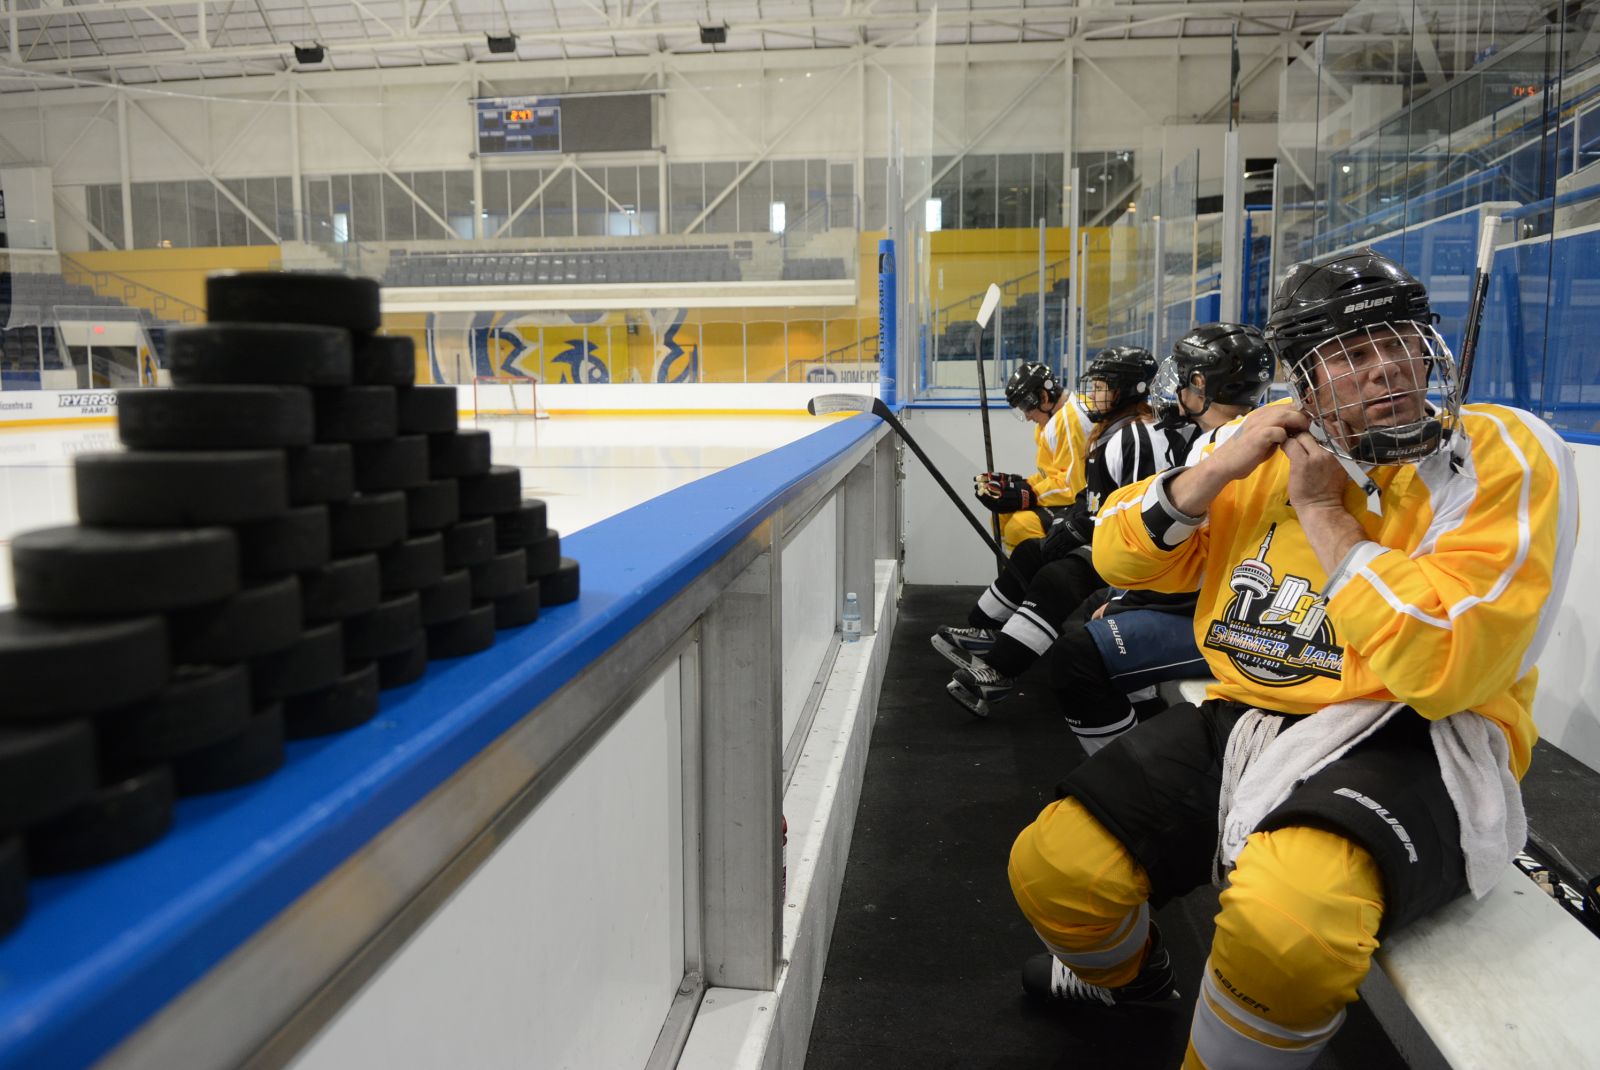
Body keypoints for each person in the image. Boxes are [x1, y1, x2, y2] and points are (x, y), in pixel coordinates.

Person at [1006, 248, 1577, 1068]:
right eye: (1350, 354)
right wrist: (1214, 471)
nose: (1385, 367)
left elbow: (1445, 664)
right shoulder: (1255, 441)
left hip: (1419, 733)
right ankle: (1132, 985)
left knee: (1288, 932)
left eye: (1399, 342)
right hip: (1250, 711)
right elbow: (1119, 557)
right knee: (1054, 868)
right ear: (1305, 381)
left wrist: (1323, 514)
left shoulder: (1499, 450)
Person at [1047, 323, 1277, 755]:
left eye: (1184, 378)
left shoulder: (1228, 450)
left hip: (1237, 621)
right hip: (1218, 603)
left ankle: (1124, 770)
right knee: (1086, 613)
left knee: (1076, 658)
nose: (1174, 390)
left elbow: (1211, 567)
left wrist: (1130, 603)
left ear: (1202, 384)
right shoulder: (1226, 438)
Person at [943, 346, 1174, 716]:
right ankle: (987, 631)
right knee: (1032, 552)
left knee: (1055, 577)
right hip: (1114, 536)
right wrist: (1066, 516)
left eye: (1101, 387)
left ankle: (1001, 669)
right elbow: (1093, 494)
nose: (1092, 395)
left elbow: (1133, 508)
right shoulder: (1114, 431)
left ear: (1128, 390)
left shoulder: (1135, 437)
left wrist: (1076, 525)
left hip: (1139, 552)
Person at [972, 360, 1095, 550]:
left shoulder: (1070, 421)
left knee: (1020, 527)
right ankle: (1015, 568)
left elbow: (1073, 486)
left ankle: (1038, 569)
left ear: (1044, 396)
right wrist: (1022, 485)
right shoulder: (1052, 420)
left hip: (1088, 502)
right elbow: (1053, 473)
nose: (1027, 416)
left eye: (1027, 406)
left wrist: (1030, 494)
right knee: (1000, 517)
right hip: (1071, 495)